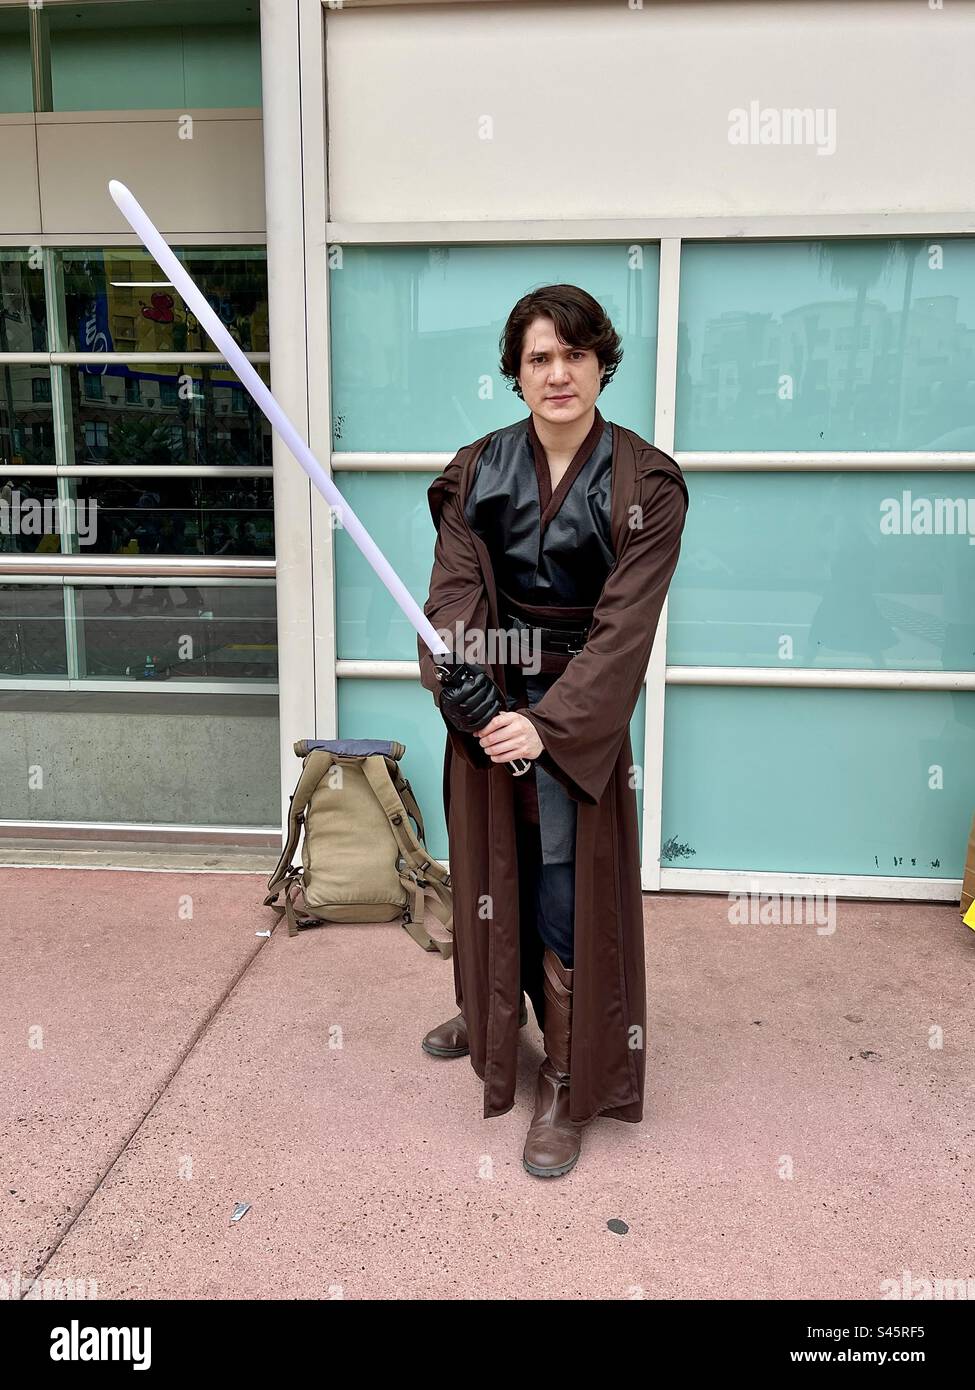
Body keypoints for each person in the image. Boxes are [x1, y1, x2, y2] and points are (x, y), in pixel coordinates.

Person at [417, 284, 689, 1178]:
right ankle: (497, 1014)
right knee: (492, 866)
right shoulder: (475, 471)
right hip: (492, 693)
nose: (558, 373)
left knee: (565, 886)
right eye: (539, 357)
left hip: (580, 712)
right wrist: (467, 691)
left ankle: (568, 1080)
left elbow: (624, 631)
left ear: (601, 362)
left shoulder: (645, 484)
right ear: (516, 373)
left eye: (574, 354)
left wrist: (548, 726)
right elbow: (456, 595)